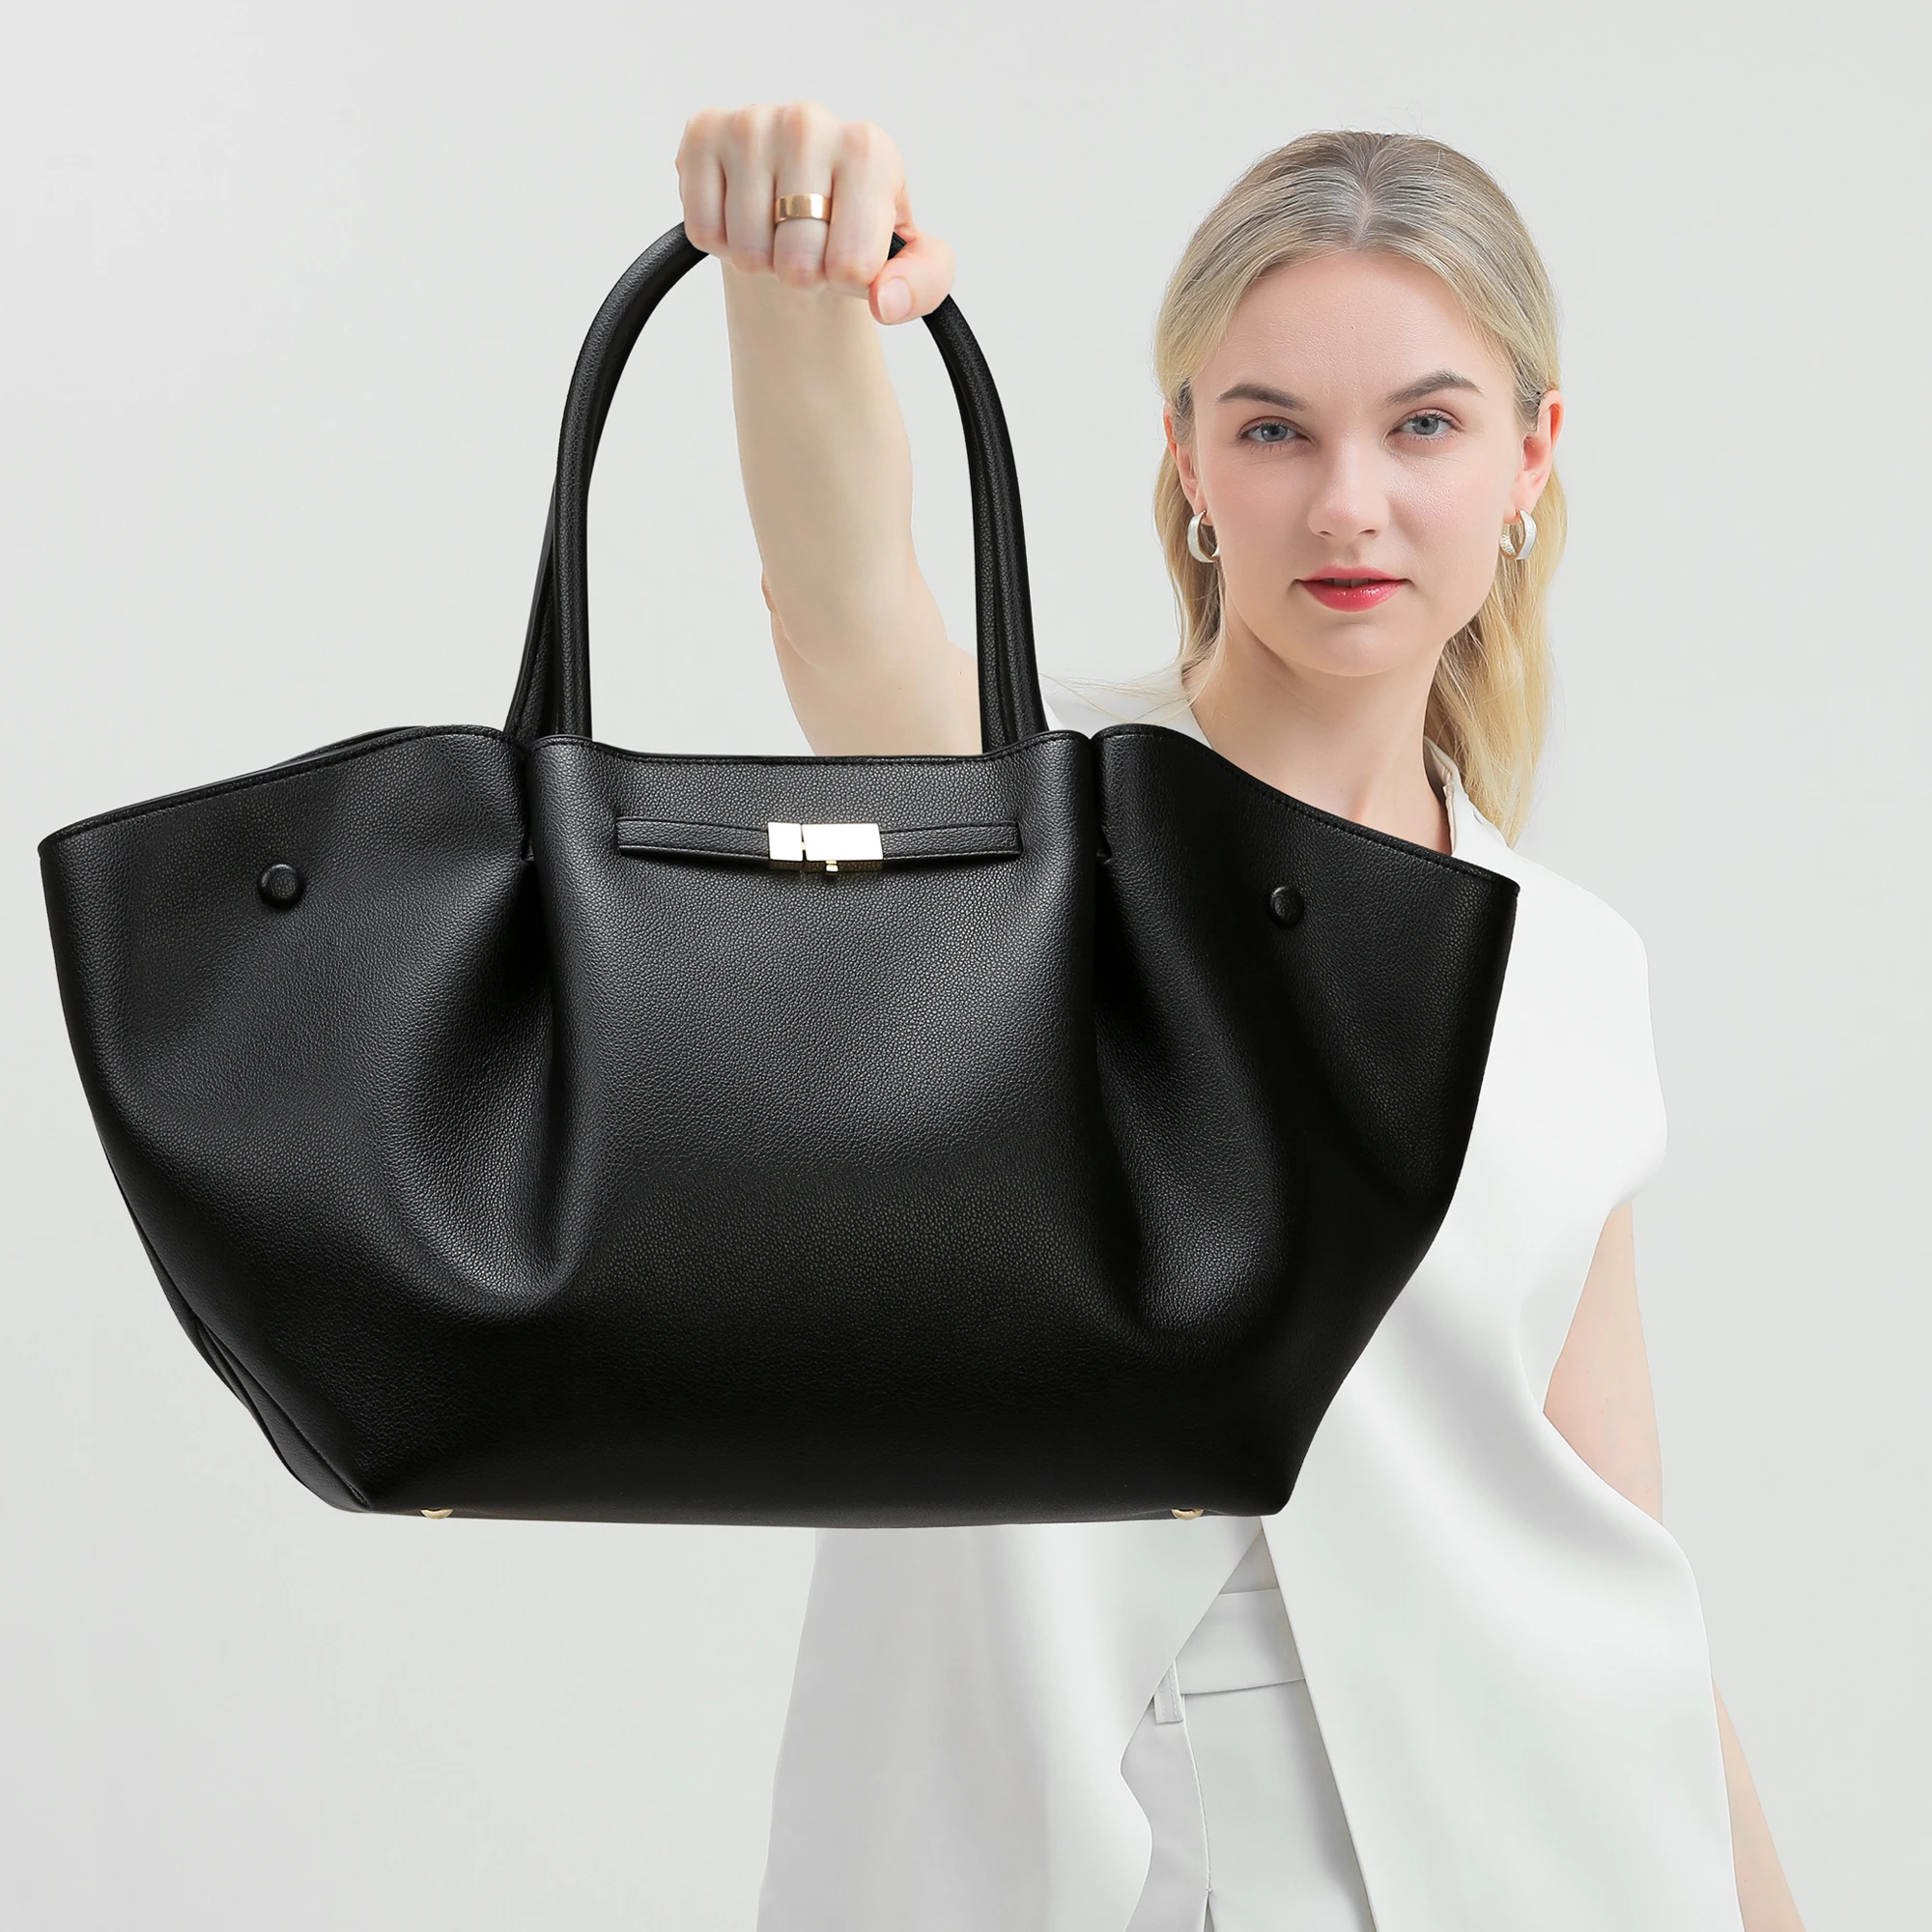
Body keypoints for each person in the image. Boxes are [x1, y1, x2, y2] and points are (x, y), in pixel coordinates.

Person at [674, 103, 1804, 1932]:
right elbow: (844, 608)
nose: (1349, 503)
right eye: (1275, 428)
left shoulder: (1570, 968)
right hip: (1072, 1861)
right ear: (1189, 456)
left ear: (1531, 456)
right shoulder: (1036, 826)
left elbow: (1620, 1560)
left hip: (1531, 1865)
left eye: (1424, 424)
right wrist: (789, 277)